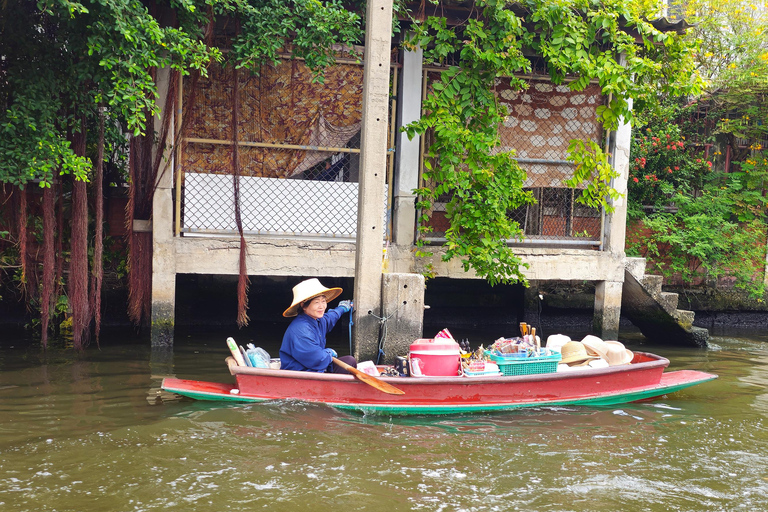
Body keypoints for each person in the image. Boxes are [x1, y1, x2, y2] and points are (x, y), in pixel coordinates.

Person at [280, 278, 357, 373]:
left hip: (316, 368)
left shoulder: (317, 320)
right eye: (316, 302)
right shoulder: (301, 329)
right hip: (302, 373)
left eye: (323, 301)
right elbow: (318, 359)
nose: (321, 306)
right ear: (303, 306)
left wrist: (342, 308)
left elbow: (330, 317)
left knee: (350, 361)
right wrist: (329, 352)